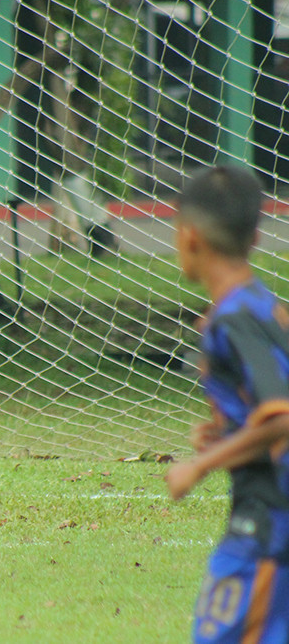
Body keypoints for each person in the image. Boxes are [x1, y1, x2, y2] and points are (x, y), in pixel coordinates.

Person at [163, 165, 289, 642]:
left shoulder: (232, 318)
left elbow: (281, 416)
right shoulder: (263, 306)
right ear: (254, 237)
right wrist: (231, 431)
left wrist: (200, 466)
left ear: (190, 236)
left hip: (270, 519)